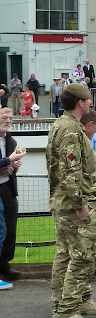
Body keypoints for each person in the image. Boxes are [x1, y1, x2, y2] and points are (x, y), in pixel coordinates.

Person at [46, 82, 96, 318]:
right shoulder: (72, 130)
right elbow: (70, 170)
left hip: (63, 202)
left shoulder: (60, 125)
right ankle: (67, 311)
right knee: (82, 256)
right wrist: (80, 204)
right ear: (81, 103)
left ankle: (64, 305)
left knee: (65, 255)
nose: (90, 104)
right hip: (74, 204)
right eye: (89, 100)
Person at [0, 108, 26, 287]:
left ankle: (4, 264)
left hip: (7, 186)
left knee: (10, 228)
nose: (8, 120)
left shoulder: (11, 140)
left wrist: (14, 165)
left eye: (10, 118)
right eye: (4, 117)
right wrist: (8, 162)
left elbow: (10, 162)